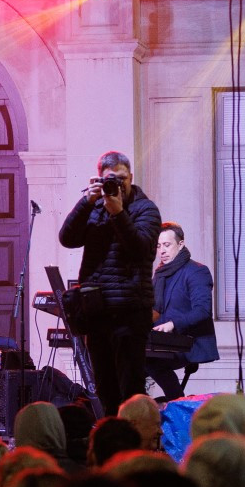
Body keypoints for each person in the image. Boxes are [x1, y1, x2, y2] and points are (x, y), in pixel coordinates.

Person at [58, 150, 161, 415]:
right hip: (97, 312)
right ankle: (112, 434)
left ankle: (133, 436)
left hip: (129, 312)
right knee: (105, 388)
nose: (118, 185)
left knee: (130, 389)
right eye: (110, 179)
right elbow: (67, 238)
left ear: (131, 177)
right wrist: (86, 202)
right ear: (100, 180)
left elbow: (140, 249)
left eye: (122, 179)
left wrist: (118, 214)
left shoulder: (146, 209)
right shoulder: (94, 208)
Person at [148, 222, 219, 400]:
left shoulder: (197, 272)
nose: (162, 251)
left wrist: (172, 324)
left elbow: (202, 311)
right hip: (164, 341)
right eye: (158, 246)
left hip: (189, 342)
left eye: (166, 245)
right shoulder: (160, 274)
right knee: (127, 361)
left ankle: (177, 402)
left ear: (180, 244)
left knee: (149, 361)